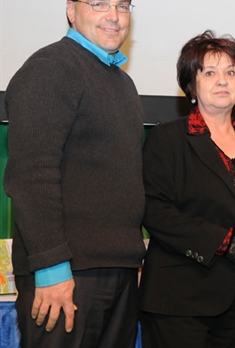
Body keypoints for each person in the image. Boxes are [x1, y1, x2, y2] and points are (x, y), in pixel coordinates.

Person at [3, 1, 145, 347]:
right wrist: (51, 268)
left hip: (117, 272)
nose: (113, 15)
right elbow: (32, 175)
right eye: (98, 4)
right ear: (71, 10)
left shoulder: (123, 83)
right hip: (66, 275)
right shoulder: (50, 68)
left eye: (122, 5)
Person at [139, 30, 235, 348]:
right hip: (179, 302)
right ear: (191, 85)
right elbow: (154, 211)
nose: (222, 81)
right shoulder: (168, 140)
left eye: (230, 72)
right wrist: (227, 242)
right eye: (210, 72)